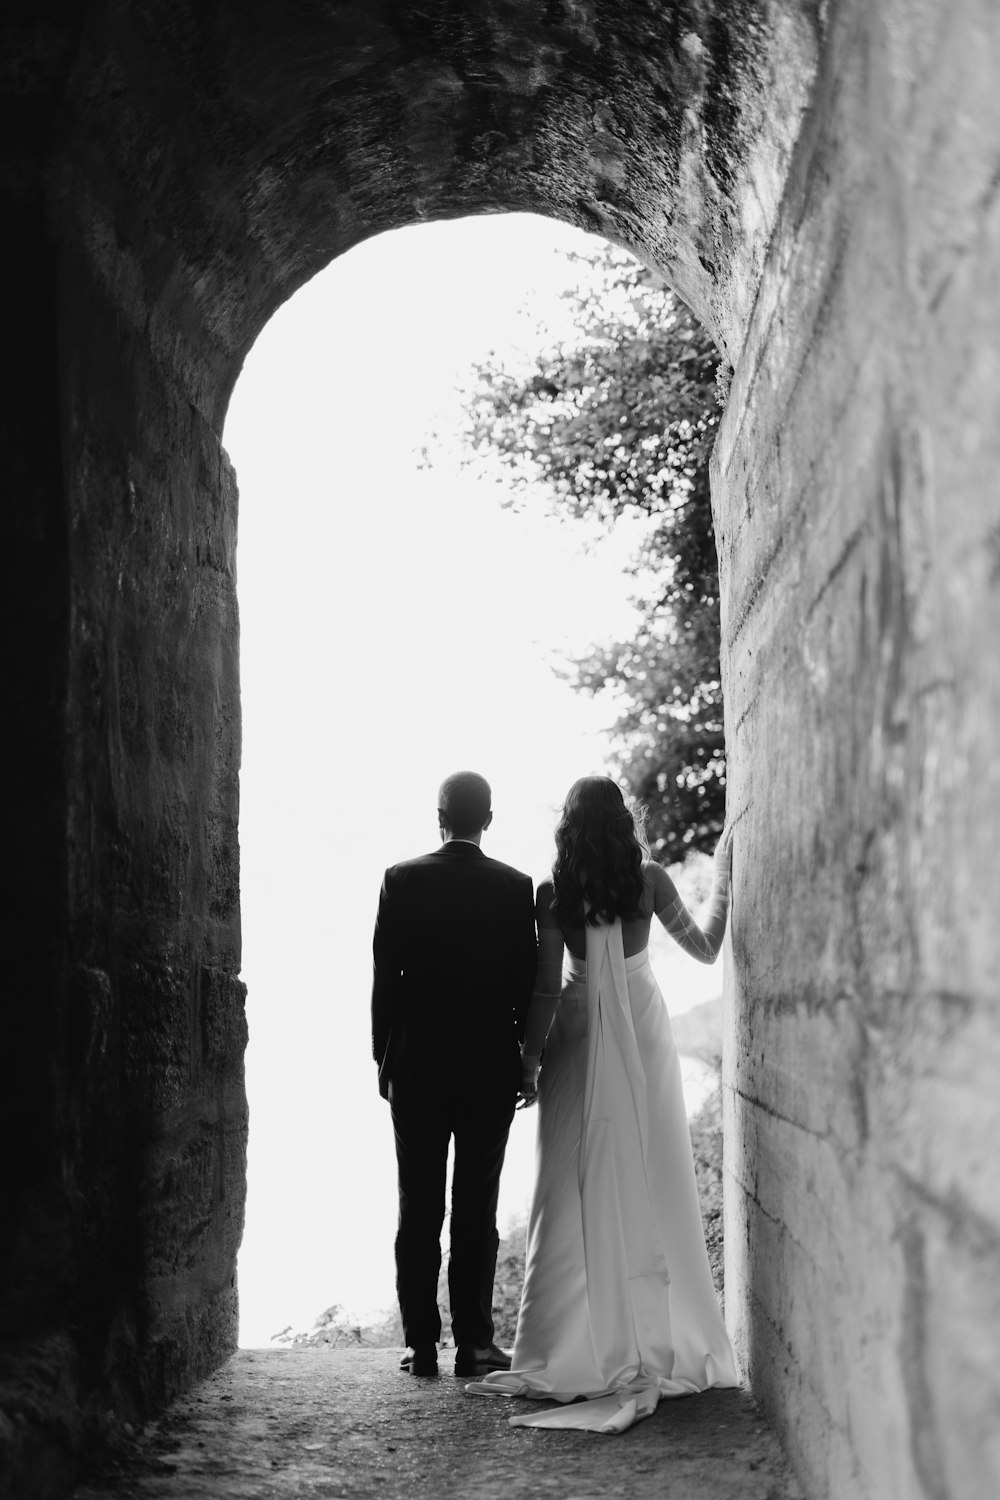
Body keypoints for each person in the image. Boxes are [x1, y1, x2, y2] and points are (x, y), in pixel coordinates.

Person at [469, 775, 738, 1430]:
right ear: (626, 820)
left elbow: (544, 989)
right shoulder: (650, 881)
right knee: (655, 1174)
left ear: (568, 825)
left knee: (569, 1185)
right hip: (643, 1030)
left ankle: (574, 1345)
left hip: (577, 1037)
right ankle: (662, 1334)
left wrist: (529, 1064)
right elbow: (705, 950)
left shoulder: (554, 892)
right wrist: (725, 871)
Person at [372, 770, 537, 1379]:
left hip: (415, 1065)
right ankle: (473, 1343)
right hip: (489, 1065)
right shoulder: (514, 887)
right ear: (488, 819)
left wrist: (380, 1058)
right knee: (477, 1206)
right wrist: (524, 1058)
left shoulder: (401, 879)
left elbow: (385, 976)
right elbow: (524, 984)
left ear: (438, 815)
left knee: (418, 1206)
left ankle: (420, 1346)